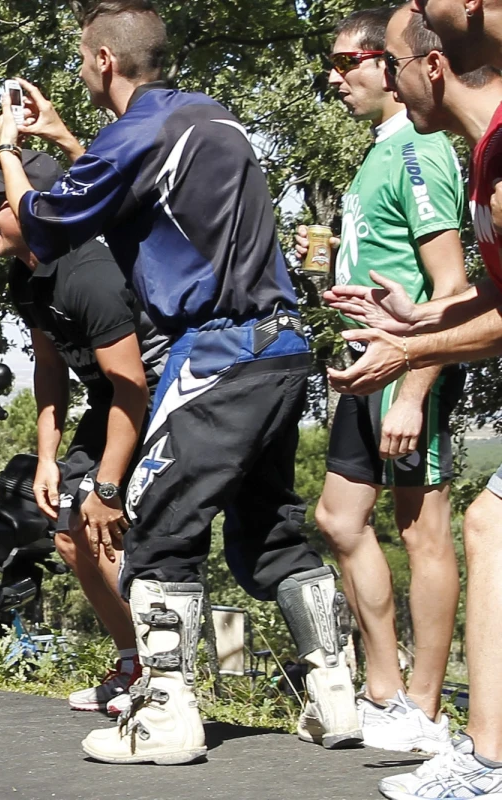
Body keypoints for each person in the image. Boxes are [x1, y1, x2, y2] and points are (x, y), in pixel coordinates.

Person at [0, 0, 359, 764]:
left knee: (157, 528)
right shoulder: (209, 117)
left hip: (217, 353)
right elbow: (133, 175)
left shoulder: (136, 134)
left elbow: (43, 219)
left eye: (84, 57)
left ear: (102, 61)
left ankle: (164, 716)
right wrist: (64, 135)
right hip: (283, 347)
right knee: (269, 532)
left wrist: (8, 147)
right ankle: (336, 699)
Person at [322, 10, 502, 797]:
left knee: (464, 527)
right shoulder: (477, 159)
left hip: (405, 371)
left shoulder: (449, 152)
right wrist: (418, 320)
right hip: (395, 352)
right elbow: (482, 296)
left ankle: (444, 725)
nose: (380, 79)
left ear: (428, 67)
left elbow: (460, 282)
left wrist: (416, 355)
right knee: (479, 524)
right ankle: (475, 747)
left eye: (384, 61)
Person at [298, 7, 469, 755]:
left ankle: (425, 713)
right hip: (368, 370)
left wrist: (412, 387)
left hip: (409, 371)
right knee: (338, 520)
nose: (336, 78)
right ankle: (384, 691)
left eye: (348, 62)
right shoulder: (376, 157)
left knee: (421, 528)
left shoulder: (419, 153)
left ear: (392, 69)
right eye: (331, 66)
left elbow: (452, 285)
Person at [0, 148, 168, 716]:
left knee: (115, 529)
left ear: (36, 208)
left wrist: (107, 485)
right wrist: (48, 457)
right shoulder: (26, 278)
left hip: (157, 398)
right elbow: (50, 368)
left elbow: (134, 389)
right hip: (110, 401)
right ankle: (133, 662)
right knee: (71, 536)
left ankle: (167, 676)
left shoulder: (90, 275)